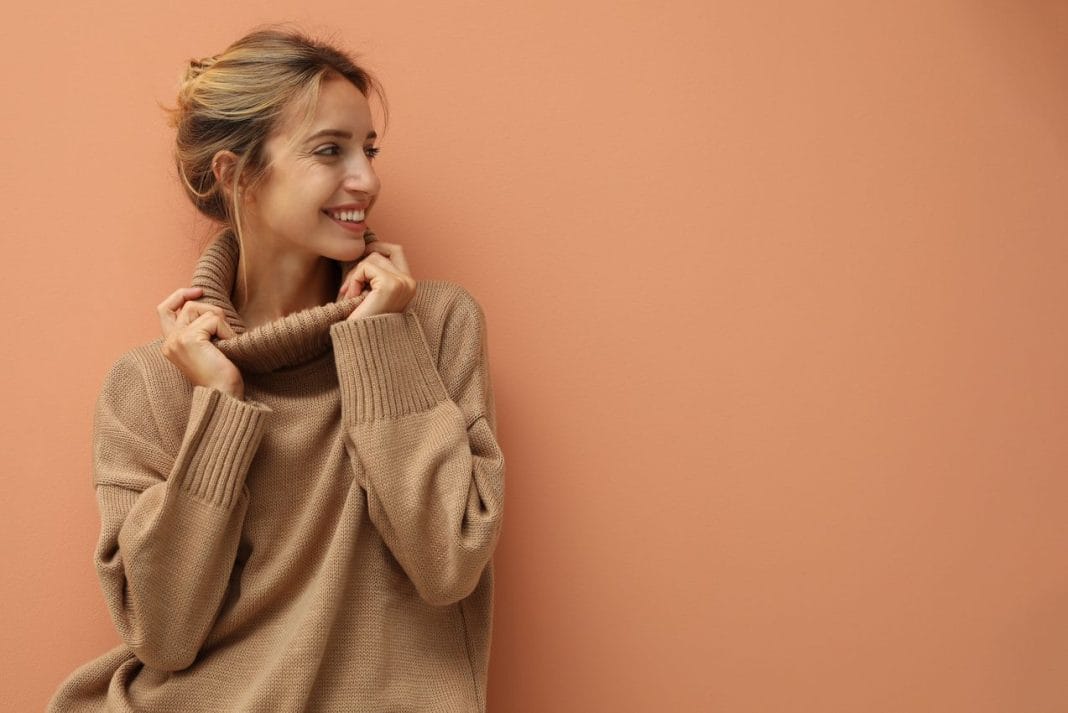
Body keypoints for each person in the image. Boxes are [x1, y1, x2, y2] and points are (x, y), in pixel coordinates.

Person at [47, 26, 505, 712]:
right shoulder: (151, 381)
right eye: (330, 151)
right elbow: (163, 635)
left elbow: (448, 563)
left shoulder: (432, 327)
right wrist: (222, 408)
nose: (368, 179)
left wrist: (380, 342)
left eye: (369, 151)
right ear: (237, 174)